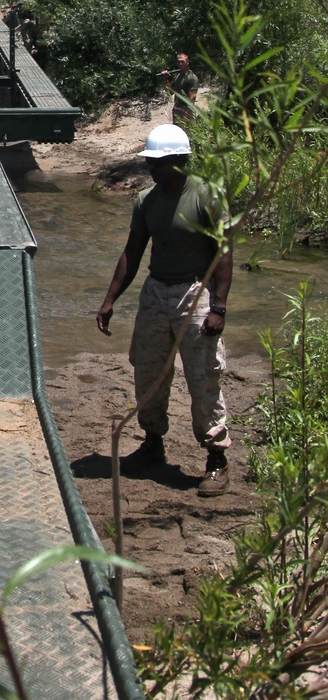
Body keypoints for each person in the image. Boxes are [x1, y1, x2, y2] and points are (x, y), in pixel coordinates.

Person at [96, 123, 232, 496]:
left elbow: (224, 252)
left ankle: (216, 458)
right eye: (151, 163)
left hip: (196, 290)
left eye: (159, 163)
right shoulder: (147, 201)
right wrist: (110, 299)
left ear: (180, 160)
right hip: (156, 290)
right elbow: (133, 251)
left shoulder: (207, 195)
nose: (152, 169)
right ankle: (152, 441)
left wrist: (218, 307)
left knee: (203, 374)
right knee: (148, 368)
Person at [162, 52, 199, 124]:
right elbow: (169, 92)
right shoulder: (178, 76)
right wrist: (165, 79)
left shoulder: (191, 78)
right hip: (177, 109)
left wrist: (186, 116)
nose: (180, 64)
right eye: (179, 62)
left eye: (182, 61)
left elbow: (192, 99)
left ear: (187, 62)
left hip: (186, 110)